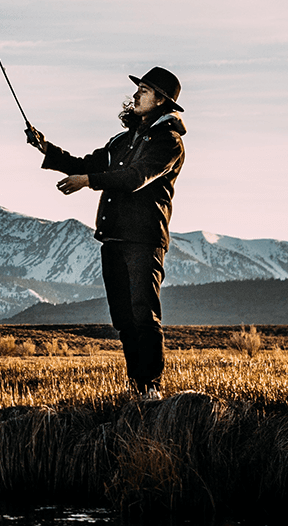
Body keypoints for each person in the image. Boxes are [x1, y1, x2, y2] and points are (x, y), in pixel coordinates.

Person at [25, 67, 187, 401]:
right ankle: (137, 387)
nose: (137, 95)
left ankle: (152, 387)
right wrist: (46, 149)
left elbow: (135, 177)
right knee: (124, 318)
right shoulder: (121, 140)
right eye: (138, 89)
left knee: (144, 313)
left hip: (144, 237)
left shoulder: (168, 142)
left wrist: (87, 182)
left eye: (144, 90)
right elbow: (88, 163)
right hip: (113, 236)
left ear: (161, 101)